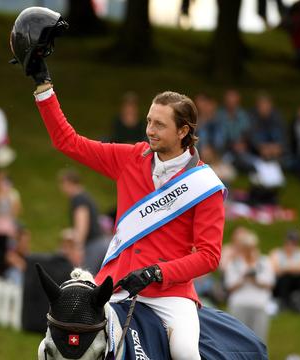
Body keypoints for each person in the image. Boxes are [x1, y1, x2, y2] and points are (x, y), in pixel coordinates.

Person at [26, 51, 226, 358]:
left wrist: (158, 272)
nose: (149, 130)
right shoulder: (131, 157)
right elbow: (68, 142)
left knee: (186, 352)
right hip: (115, 288)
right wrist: (43, 86)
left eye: (159, 125)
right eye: (148, 121)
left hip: (170, 296)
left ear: (183, 131)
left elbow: (209, 257)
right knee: (48, 348)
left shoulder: (205, 186)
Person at [224, 230, 275, 341]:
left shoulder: (265, 261)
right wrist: (243, 278)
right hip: (239, 304)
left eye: (251, 247)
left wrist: (255, 279)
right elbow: (229, 286)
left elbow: (270, 283)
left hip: (260, 304)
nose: (249, 251)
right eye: (246, 248)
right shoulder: (234, 263)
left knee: (259, 339)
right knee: (237, 338)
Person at [57, 168, 106, 274]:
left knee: (86, 278)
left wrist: (78, 247)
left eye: (63, 184)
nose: (62, 189)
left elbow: (82, 224)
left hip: (93, 245)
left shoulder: (78, 199)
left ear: (69, 183)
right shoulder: (85, 196)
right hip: (100, 242)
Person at [0, 171, 21, 277]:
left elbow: (15, 211)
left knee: (6, 252)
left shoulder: (12, 195)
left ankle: (3, 273)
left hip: (7, 228)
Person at [269, 230, 300, 312]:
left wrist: (285, 269)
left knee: (298, 277)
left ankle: (297, 303)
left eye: (294, 242)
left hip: (297, 282)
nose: (291, 245)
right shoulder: (276, 252)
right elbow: (274, 269)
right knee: (285, 278)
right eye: (289, 241)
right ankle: (283, 302)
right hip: (280, 283)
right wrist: (294, 269)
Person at [214, 89, 252, 164]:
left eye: (233, 101)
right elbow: (219, 136)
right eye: (229, 101)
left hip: (241, 148)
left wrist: (243, 144)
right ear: (225, 101)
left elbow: (247, 132)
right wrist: (232, 145)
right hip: (225, 148)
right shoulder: (219, 115)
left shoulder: (243, 115)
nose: (231, 103)